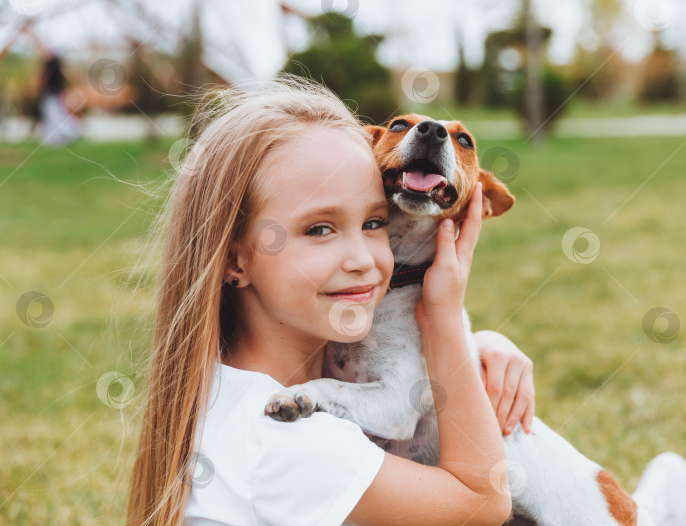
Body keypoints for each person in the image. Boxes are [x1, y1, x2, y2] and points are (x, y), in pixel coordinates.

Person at [126, 75, 536, 526]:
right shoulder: (290, 440)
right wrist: (442, 318)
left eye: (375, 222)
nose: (361, 259)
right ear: (234, 259)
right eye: (319, 229)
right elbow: (484, 502)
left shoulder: (223, 390)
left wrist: (478, 344)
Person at [22, 24, 82, 146]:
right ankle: (56, 135)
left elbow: (44, 77)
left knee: (54, 113)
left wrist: (29, 32)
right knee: (53, 113)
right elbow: (66, 75)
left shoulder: (51, 61)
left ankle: (67, 133)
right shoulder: (56, 61)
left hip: (52, 91)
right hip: (54, 91)